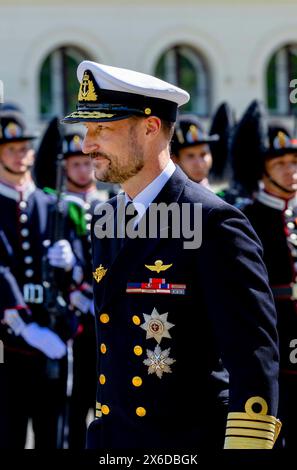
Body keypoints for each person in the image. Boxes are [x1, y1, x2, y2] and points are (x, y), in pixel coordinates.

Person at [63, 60, 281, 449]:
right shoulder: (107, 217)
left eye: (102, 128)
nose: (87, 143)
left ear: (150, 128)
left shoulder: (214, 223)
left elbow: (253, 358)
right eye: (86, 129)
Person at [0, 110, 82, 449]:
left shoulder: (52, 204)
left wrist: (71, 262)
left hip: (52, 332)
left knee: (54, 432)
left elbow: (82, 268)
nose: (22, 155)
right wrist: (23, 327)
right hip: (9, 340)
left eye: (25, 148)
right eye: (12, 148)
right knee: (9, 431)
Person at [236, 101, 297, 448]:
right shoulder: (248, 217)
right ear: (264, 170)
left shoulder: (294, 213)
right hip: (272, 339)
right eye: (281, 164)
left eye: (294, 163)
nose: (291, 171)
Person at [62, 132, 108, 449]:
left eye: (87, 162)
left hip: (106, 313)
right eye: (75, 163)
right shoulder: (58, 206)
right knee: (76, 400)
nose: (82, 170)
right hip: (73, 318)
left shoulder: (111, 202)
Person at [170, 114, 218, 188]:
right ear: (174, 159)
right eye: (190, 156)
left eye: (203, 154)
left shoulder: (221, 196)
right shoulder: (168, 198)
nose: (199, 164)